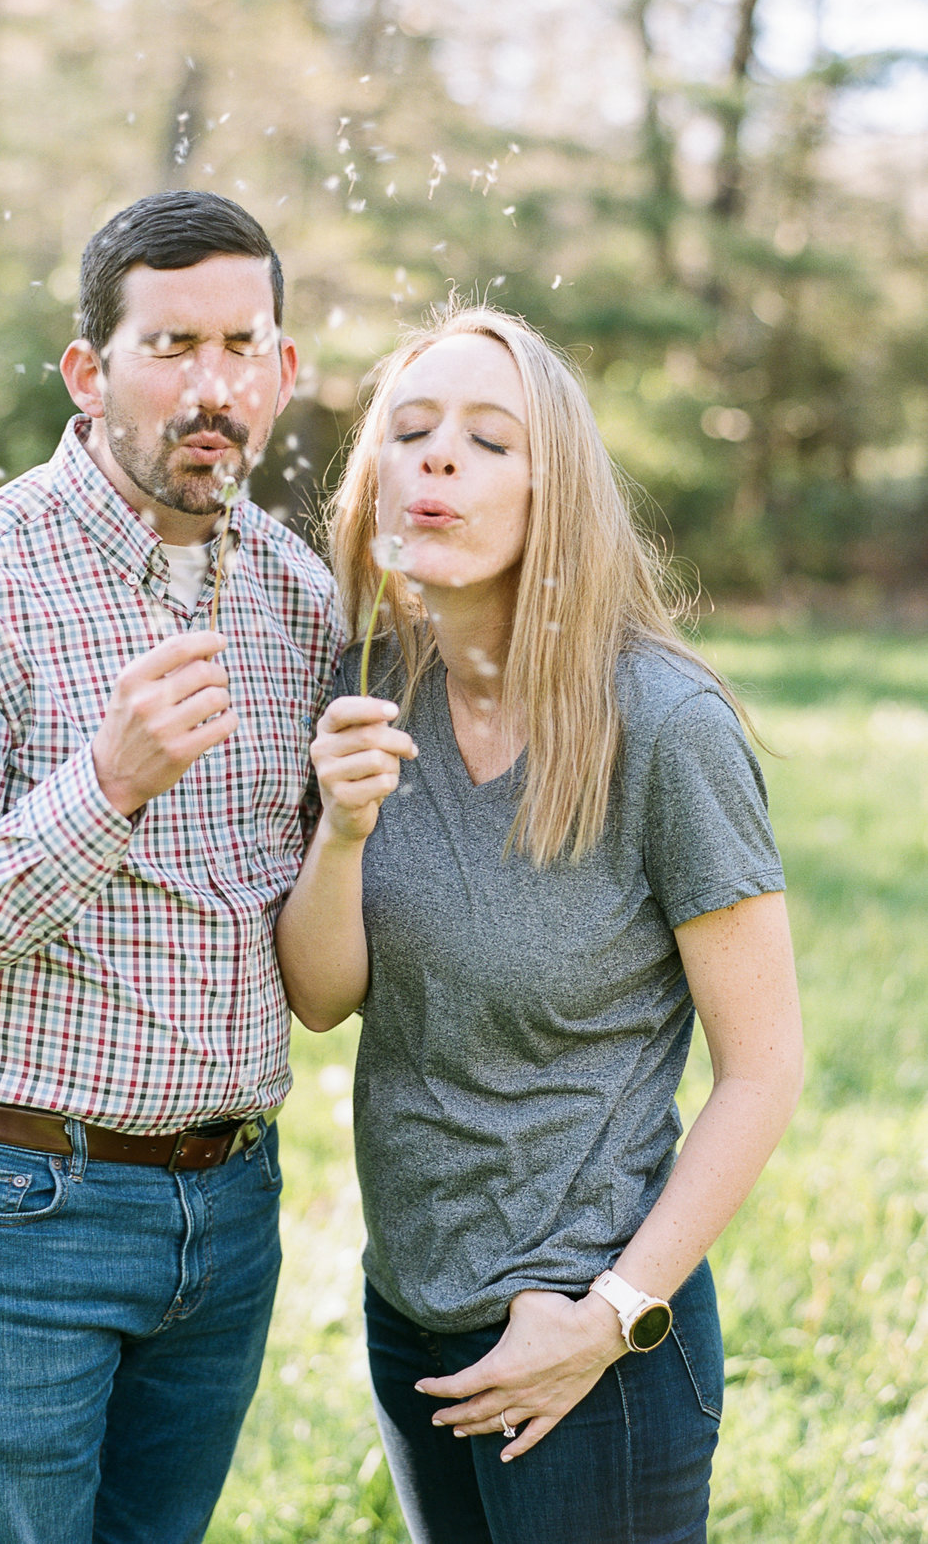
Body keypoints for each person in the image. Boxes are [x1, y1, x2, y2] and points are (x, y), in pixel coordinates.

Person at [0, 190, 345, 1543]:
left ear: (285, 370)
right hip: (4, 1213)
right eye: (171, 345)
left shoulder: (300, 600)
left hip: (225, 1213)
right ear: (91, 370)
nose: (212, 385)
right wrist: (105, 785)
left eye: (242, 345)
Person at [277, 304, 803, 1542]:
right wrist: (340, 833)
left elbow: (765, 1067)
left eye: (487, 439)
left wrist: (610, 1313)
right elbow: (320, 997)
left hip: (587, 1342)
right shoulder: (365, 684)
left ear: (553, 490)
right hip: (410, 1310)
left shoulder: (662, 728)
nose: (438, 457)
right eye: (408, 430)